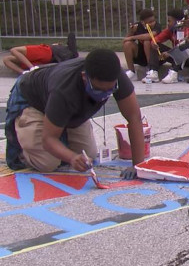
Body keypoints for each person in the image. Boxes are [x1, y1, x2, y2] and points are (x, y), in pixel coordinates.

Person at [4, 49, 145, 180]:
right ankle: (22, 148)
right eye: (98, 90)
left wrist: (137, 165)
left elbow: (134, 117)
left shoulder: (116, 76)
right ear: (85, 77)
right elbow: (49, 139)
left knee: (88, 156)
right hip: (33, 101)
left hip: (69, 107)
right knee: (47, 163)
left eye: (109, 90)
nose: (104, 95)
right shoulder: (63, 89)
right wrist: (72, 157)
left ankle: (62, 131)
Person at [144, 8, 189, 84]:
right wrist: (154, 43)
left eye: (169, 21)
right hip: (174, 56)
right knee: (154, 45)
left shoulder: (186, 30)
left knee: (182, 48)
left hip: (187, 58)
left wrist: (169, 53)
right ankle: (153, 72)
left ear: (178, 22)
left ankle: (173, 74)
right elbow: (156, 39)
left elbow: (184, 44)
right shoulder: (170, 30)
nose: (168, 23)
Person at [2, 33, 78, 75]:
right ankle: (25, 72)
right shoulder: (66, 52)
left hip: (45, 52)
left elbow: (71, 38)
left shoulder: (63, 51)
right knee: (7, 57)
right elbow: (71, 38)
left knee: (13, 50)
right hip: (45, 55)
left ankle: (28, 69)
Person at [122, 9, 163, 80]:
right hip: (141, 54)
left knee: (147, 41)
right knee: (127, 44)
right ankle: (131, 71)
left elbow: (150, 35)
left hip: (154, 55)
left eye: (153, 21)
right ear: (143, 22)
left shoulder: (157, 26)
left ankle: (151, 69)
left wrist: (132, 37)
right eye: (150, 22)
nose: (152, 23)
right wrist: (131, 31)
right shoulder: (138, 26)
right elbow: (126, 39)